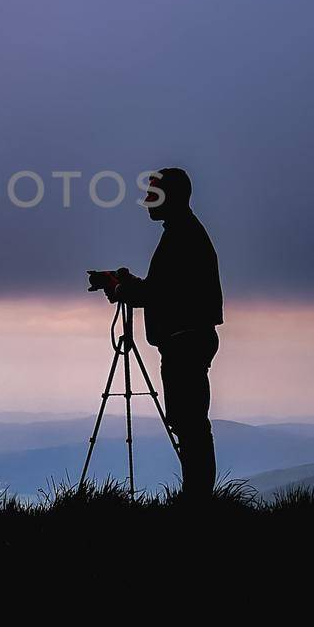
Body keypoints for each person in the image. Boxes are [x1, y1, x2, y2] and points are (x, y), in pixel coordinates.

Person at [105, 167, 223, 500]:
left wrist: (120, 289)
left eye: (153, 195)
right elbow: (166, 290)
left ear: (170, 197)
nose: (146, 202)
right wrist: (124, 284)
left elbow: (158, 294)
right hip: (188, 338)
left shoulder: (180, 236)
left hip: (184, 341)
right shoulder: (184, 233)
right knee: (190, 424)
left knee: (190, 426)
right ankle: (197, 497)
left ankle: (197, 499)